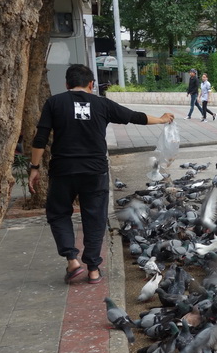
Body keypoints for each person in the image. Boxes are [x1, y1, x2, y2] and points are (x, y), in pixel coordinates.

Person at [28, 64, 174, 284]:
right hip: (94, 171)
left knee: (58, 214)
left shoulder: (54, 103)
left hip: (63, 170)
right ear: (91, 84)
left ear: (67, 84)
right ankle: (94, 269)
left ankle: (72, 260)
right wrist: (162, 119)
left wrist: (35, 168)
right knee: (94, 217)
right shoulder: (102, 104)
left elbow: (40, 138)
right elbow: (134, 116)